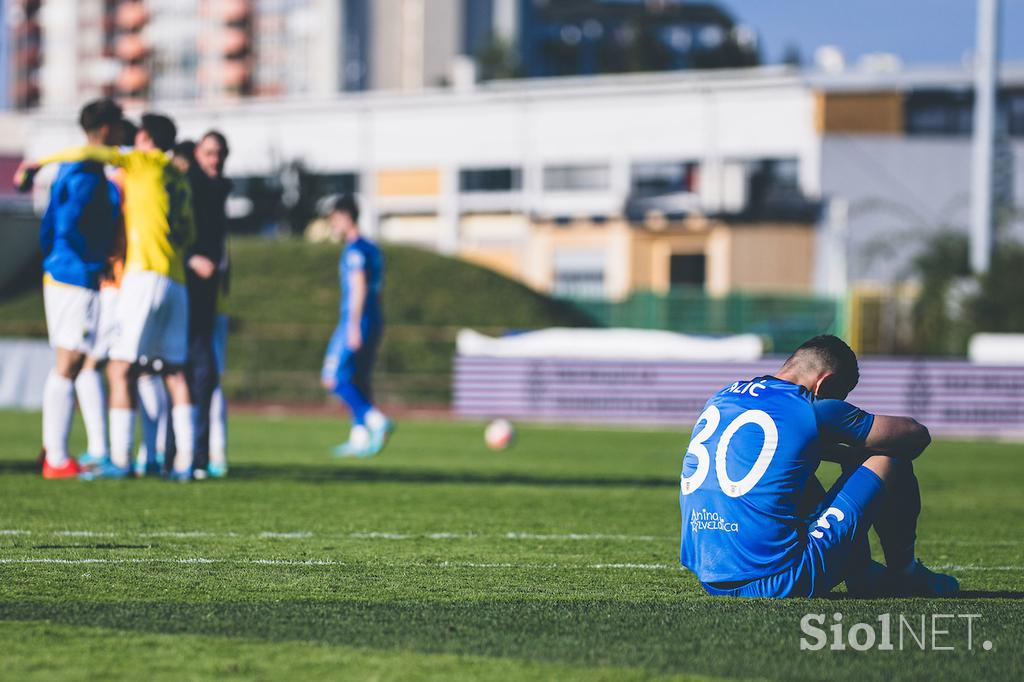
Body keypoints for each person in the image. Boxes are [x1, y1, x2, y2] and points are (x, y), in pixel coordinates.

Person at [678, 334, 959, 598]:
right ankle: (904, 573)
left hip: (711, 576)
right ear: (824, 383)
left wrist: (839, 454)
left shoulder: (723, 396)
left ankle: (859, 569)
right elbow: (915, 435)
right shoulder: (810, 406)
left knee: (797, 470)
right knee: (890, 457)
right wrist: (856, 451)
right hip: (782, 577)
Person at [16, 112, 198, 481]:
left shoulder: (140, 164)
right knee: (169, 372)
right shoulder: (179, 176)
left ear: (145, 138)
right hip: (176, 279)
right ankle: (177, 462)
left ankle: (116, 458)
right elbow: (189, 234)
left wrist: (39, 163)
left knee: (118, 368)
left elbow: (89, 152)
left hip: (140, 275)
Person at [32, 99, 122, 479]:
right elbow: (67, 225)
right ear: (104, 130)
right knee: (68, 363)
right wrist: (90, 261)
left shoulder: (79, 168)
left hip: (68, 271)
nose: (120, 136)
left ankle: (55, 450)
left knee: (74, 360)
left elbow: (50, 226)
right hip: (74, 275)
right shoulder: (85, 173)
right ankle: (55, 457)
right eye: (117, 128)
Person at [320, 195, 392, 458]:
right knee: (359, 378)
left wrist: (352, 325)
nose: (332, 226)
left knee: (333, 377)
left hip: (356, 318)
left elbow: (359, 287)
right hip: (374, 318)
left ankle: (375, 420)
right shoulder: (374, 249)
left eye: (333, 220)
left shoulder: (355, 250)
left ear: (346, 216)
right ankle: (360, 438)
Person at [183, 131, 232, 479]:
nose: (215, 160)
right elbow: (174, 232)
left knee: (201, 374)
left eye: (220, 154)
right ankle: (189, 456)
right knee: (193, 372)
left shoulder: (218, 190)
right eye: (209, 153)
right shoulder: (191, 187)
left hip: (208, 294)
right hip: (184, 289)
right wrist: (191, 259)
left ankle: (193, 455)